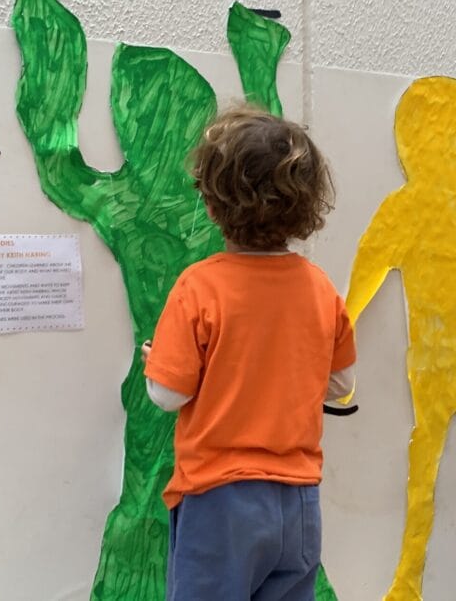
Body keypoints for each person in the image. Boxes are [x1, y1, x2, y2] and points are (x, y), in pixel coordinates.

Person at [142, 106, 355, 600]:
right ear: (305, 205)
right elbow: (341, 385)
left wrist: (161, 361)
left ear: (213, 203)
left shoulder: (199, 287)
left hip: (219, 501)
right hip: (299, 502)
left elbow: (168, 395)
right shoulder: (320, 289)